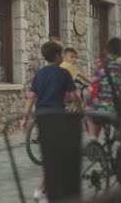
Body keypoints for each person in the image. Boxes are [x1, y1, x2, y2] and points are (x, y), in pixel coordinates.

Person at [22, 41, 82, 201]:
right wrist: (80, 108)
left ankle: (46, 188)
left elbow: (31, 97)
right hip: (57, 117)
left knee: (52, 152)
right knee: (58, 155)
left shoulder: (39, 74)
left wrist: (25, 118)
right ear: (57, 56)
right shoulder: (63, 73)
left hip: (41, 117)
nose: (63, 57)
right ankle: (42, 189)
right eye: (62, 54)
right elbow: (74, 96)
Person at [86, 37, 121, 141]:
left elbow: (93, 88)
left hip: (97, 110)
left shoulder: (101, 65)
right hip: (115, 111)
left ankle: (93, 140)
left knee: (93, 114)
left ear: (107, 51)